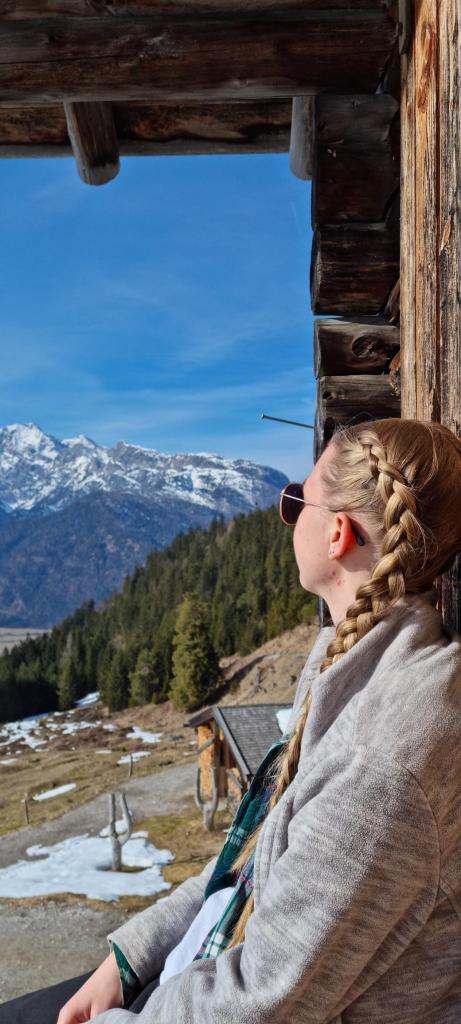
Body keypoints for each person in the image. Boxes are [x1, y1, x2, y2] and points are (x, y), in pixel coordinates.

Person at [3, 415, 461, 1023]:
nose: (287, 516)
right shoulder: (356, 665)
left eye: (295, 501)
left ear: (338, 535)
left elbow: (257, 1000)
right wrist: (129, 957)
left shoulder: (383, 760)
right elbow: (252, 861)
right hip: (203, 965)